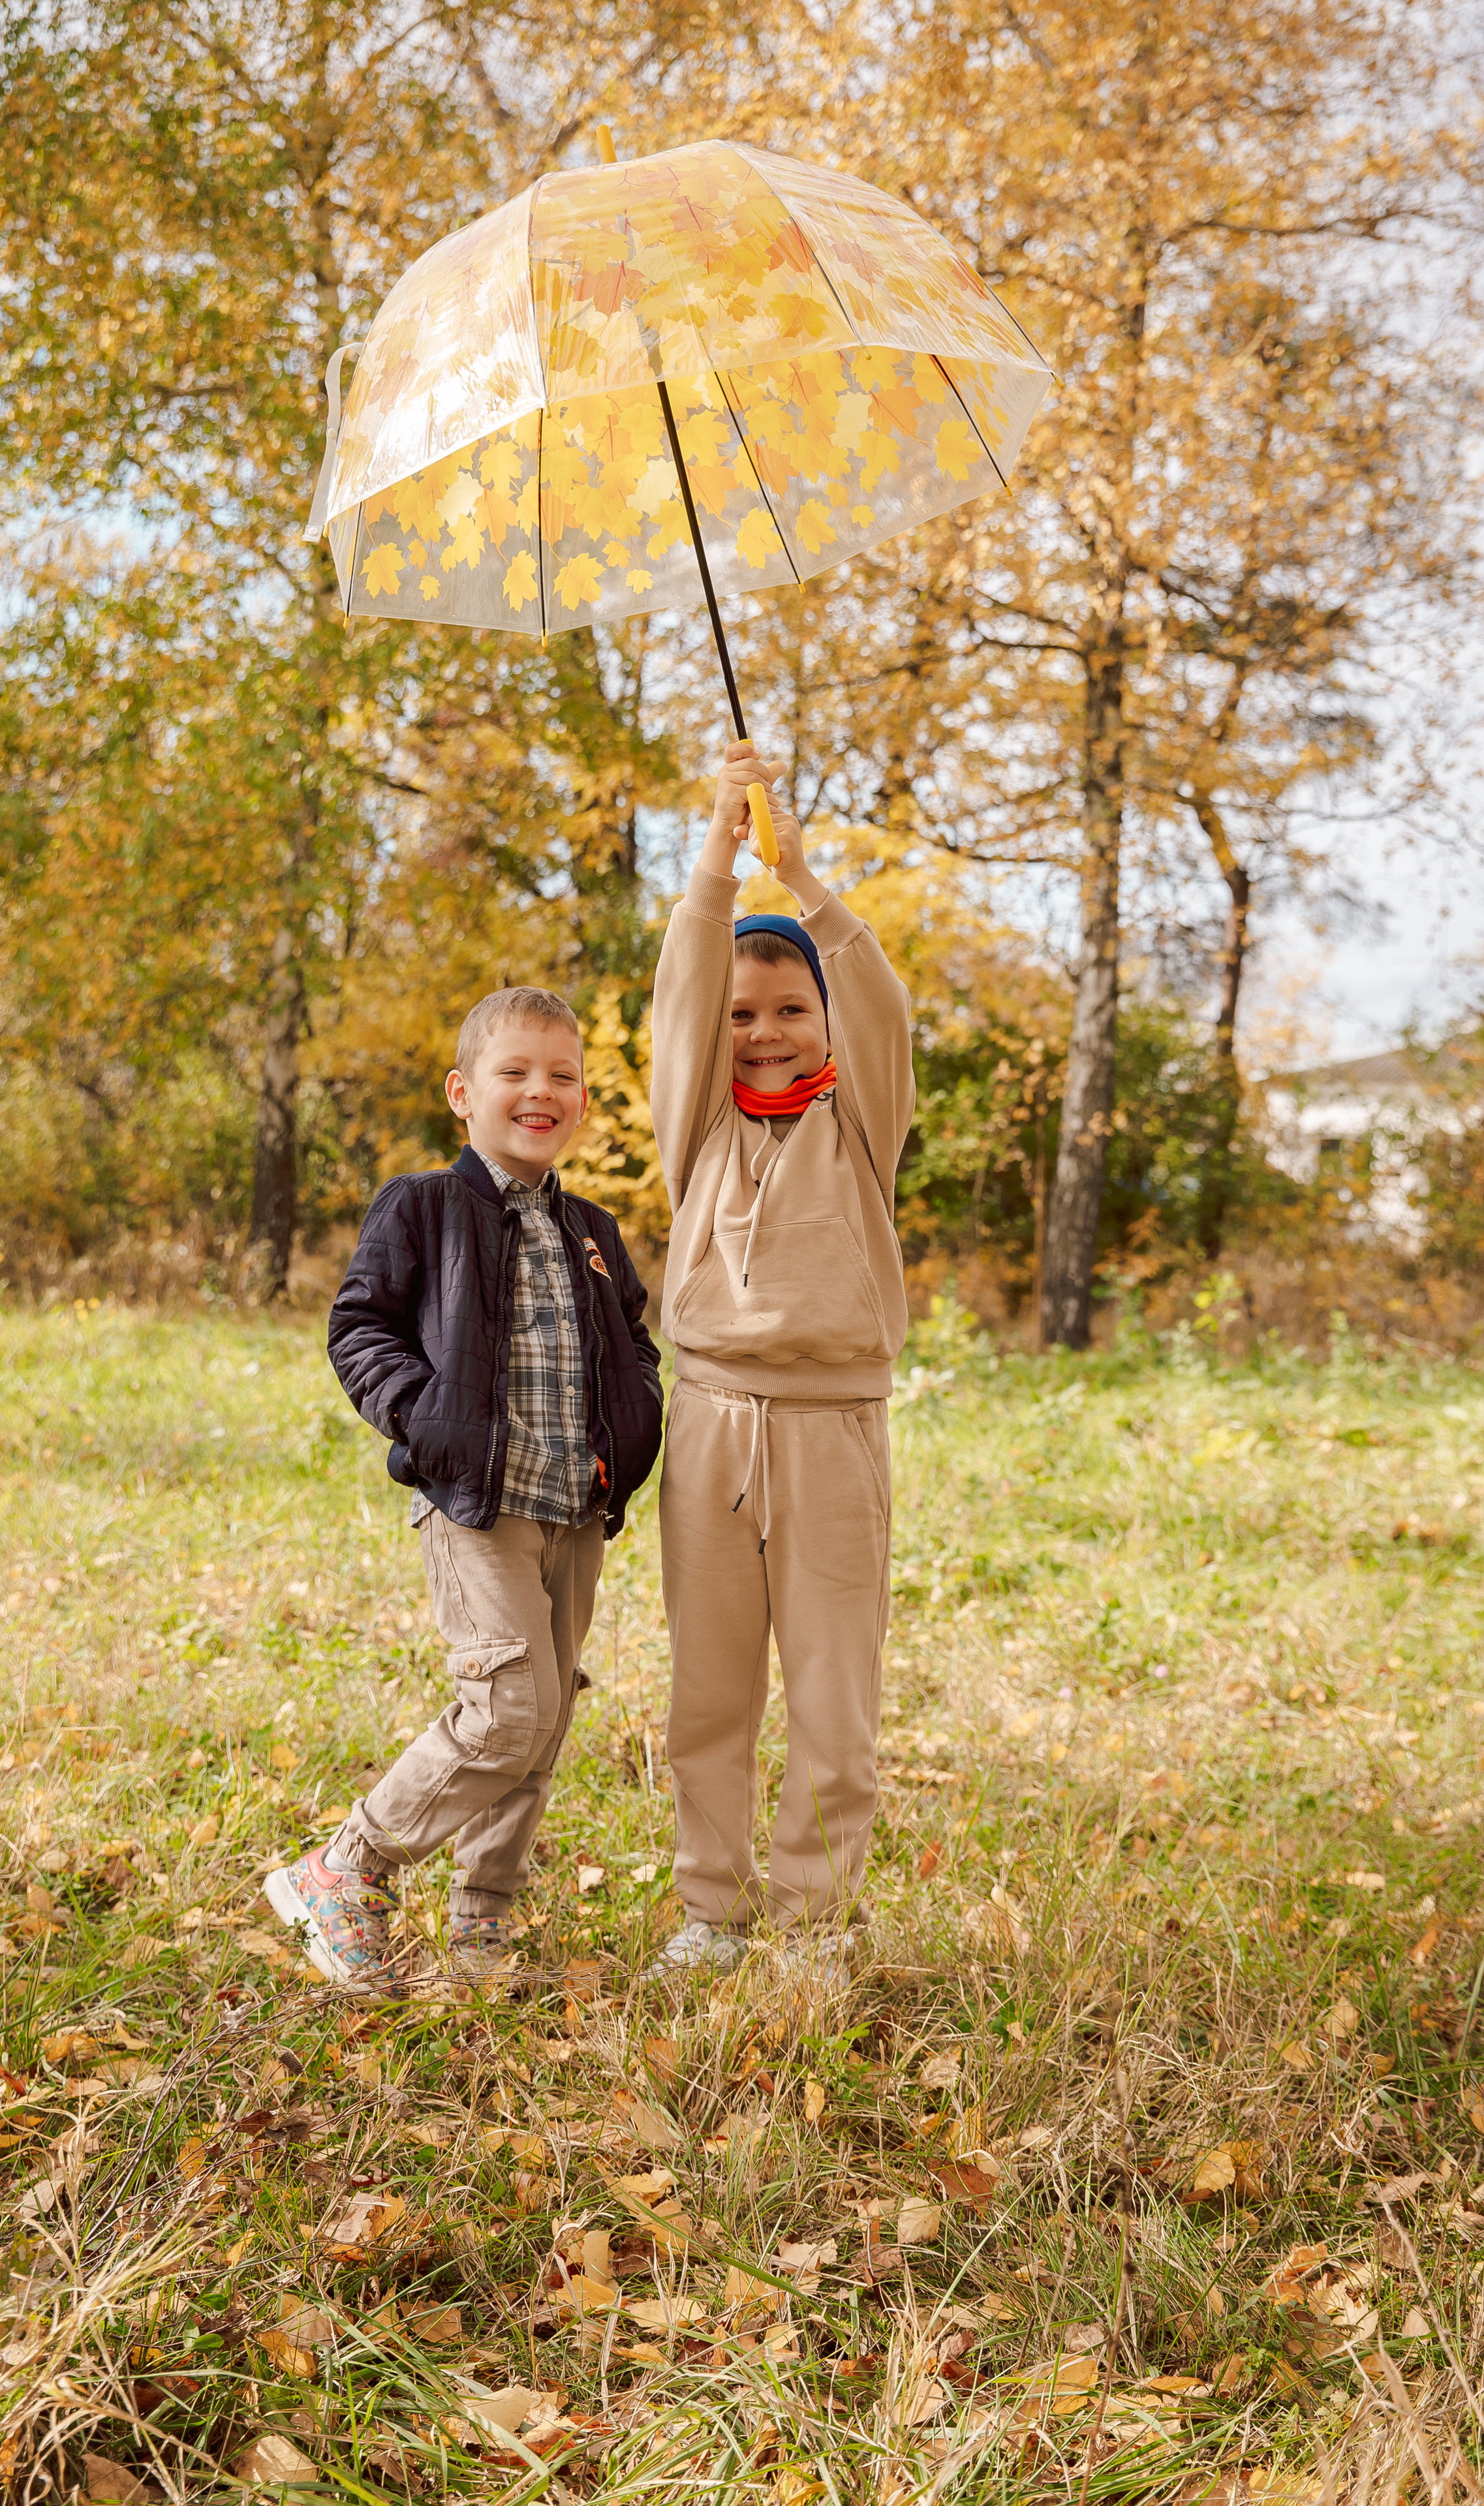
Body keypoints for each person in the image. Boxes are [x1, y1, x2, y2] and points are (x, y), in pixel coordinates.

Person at [264, 987, 664, 1998]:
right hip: (476, 1501)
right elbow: (359, 1329)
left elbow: (636, 1344)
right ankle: (348, 1864)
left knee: (546, 1719)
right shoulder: (425, 1206)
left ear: (581, 1099)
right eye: (515, 1072)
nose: (542, 1090)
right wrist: (423, 1418)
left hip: (575, 1503)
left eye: (563, 1074)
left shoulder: (595, 1231)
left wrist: (639, 1421)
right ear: (463, 1092)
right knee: (505, 1711)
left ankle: (481, 1932)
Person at [647, 744, 915, 1977]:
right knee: (708, 1689)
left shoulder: (860, 1122)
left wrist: (799, 877)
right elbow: (684, 1002)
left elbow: (881, 1006)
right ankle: (713, 1905)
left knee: (831, 1696)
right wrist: (715, 847)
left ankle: (814, 1922)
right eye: (745, 1014)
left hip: (833, 1433)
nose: (762, 1032)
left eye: (789, 1009)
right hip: (711, 1425)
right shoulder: (699, 1121)